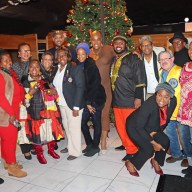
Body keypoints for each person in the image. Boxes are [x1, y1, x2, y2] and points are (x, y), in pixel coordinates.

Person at [125, 82, 177, 177]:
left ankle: (156, 161)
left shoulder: (173, 102)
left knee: (165, 141)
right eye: (159, 95)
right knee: (148, 149)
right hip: (134, 126)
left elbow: (166, 119)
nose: (161, 100)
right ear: (156, 94)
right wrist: (153, 142)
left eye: (166, 97)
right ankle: (130, 163)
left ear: (170, 97)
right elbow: (139, 127)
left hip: (151, 125)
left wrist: (156, 131)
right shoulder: (149, 104)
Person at [19, 59, 64, 164]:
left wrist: (53, 91)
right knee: (37, 135)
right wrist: (30, 93)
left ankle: (51, 150)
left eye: (37, 67)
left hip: (49, 111)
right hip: (35, 112)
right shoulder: (25, 82)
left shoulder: (45, 80)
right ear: (28, 69)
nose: (34, 69)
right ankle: (40, 154)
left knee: (50, 132)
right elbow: (22, 101)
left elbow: (52, 93)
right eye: (31, 67)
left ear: (40, 69)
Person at [111, 35, 146, 159]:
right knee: (120, 128)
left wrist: (138, 98)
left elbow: (140, 80)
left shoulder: (134, 58)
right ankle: (127, 146)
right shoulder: (114, 60)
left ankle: (132, 151)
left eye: (121, 43)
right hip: (116, 101)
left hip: (129, 100)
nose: (118, 45)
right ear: (113, 45)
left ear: (125, 45)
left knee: (130, 128)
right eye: (116, 43)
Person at [53, 48, 85, 160]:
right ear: (56, 58)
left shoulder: (75, 68)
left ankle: (75, 152)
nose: (62, 58)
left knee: (74, 128)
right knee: (67, 127)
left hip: (73, 105)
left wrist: (76, 107)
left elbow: (80, 87)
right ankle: (70, 146)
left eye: (64, 55)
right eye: (59, 56)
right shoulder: (56, 69)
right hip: (62, 103)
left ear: (68, 57)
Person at [0, 50, 27, 177]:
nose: (9, 62)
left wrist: (23, 100)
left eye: (9, 59)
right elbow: (1, 97)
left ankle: (7, 161)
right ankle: (12, 166)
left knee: (7, 140)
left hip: (14, 110)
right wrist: (11, 113)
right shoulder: (0, 74)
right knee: (10, 140)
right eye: (5, 60)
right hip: (6, 114)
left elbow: (18, 88)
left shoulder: (9, 72)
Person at [76, 42, 106, 157]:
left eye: (83, 54)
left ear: (87, 54)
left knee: (96, 121)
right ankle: (89, 143)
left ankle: (95, 147)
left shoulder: (91, 65)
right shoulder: (78, 66)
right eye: (78, 54)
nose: (80, 56)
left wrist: (89, 102)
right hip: (87, 100)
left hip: (96, 98)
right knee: (82, 122)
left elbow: (95, 85)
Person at [158, 50, 186, 166]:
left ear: (172, 59)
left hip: (180, 110)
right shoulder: (161, 72)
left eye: (166, 59)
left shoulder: (180, 71)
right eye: (161, 60)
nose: (164, 62)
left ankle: (188, 156)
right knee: (170, 134)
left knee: (184, 136)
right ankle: (176, 154)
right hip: (168, 111)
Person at [89, 31, 115, 154]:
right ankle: (96, 138)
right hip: (93, 91)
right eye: (93, 39)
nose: (96, 42)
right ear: (90, 40)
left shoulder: (108, 49)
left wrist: (136, 54)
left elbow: (122, 52)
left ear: (101, 40)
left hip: (105, 89)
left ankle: (103, 142)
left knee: (104, 114)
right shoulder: (87, 53)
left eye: (98, 39)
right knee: (96, 116)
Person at [12, 42, 35, 160]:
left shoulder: (34, 64)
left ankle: (31, 145)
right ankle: (25, 149)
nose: (26, 53)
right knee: (22, 124)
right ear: (19, 53)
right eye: (24, 51)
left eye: (28, 51)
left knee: (32, 123)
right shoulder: (15, 66)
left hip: (33, 98)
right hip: (21, 98)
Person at [177, 41, 192, 178]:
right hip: (183, 111)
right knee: (184, 137)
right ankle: (191, 164)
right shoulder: (185, 66)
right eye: (191, 49)